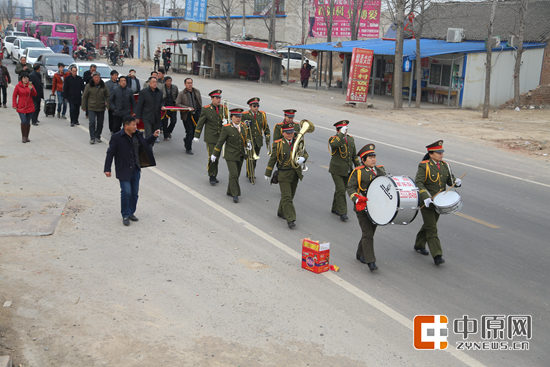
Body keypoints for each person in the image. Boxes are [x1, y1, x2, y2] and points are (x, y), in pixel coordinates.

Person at [104, 115, 160, 226]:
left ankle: (131, 212)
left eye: (136, 124)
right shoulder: (117, 137)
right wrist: (107, 168)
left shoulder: (137, 134)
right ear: (126, 126)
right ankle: (125, 214)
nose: (136, 127)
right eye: (133, 125)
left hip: (136, 169)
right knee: (126, 192)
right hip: (123, 169)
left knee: (134, 193)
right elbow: (110, 153)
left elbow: (144, 143)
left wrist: (153, 136)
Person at [414, 140, 462, 266]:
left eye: (442, 152)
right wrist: (426, 196)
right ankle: (437, 255)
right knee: (432, 228)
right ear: (431, 154)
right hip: (427, 202)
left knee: (430, 224)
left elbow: (449, 181)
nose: (441, 155)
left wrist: (456, 182)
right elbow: (418, 183)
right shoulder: (424, 166)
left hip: (440, 202)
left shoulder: (445, 165)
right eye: (438, 152)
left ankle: (419, 244)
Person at [346, 144, 386, 271]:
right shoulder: (358, 172)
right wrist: (356, 198)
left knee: (370, 232)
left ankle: (360, 253)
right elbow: (350, 188)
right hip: (362, 208)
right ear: (363, 160)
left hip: (376, 208)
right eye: (369, 157)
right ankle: (371, 261)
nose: (373, 159)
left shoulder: (380, 171)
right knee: (368, 233)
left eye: (374, 156)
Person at [264, 122, 309, 229]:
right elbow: (273, 159)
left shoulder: (298, 142)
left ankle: (281, 211)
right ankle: (291, 219)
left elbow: (305, 153)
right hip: (283, 173)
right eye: (287, 133)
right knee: (287, 197)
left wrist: (303, 159)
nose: (290, 135)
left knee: (290, 195)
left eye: (292, 132)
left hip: (295, 173)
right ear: (283, 133)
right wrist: (268, 172)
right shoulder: (278, 144)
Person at [211, 108, 248, 203]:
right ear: (232, 117)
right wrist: (215, 153)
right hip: (230, 155)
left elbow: (246, 138)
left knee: (236, 175)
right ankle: (235, 194)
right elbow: (220, 141)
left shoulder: (244, 126)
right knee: (234, 173)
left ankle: (229, 190)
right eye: (236, 116)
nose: (238, 119)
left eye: (240, 116)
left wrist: (249, 144)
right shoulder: (227, 128)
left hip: (240, 155)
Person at [329, 120, 360, 222]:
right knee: (342, 190)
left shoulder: (350, 139)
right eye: (343, 130)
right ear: (338, 130)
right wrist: (341, 134)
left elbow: (354, 155)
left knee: (339, 189)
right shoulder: (333, 139)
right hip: (336, 170)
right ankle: (343, 212)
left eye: (346, 129)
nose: (345, 131)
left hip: (347, 170)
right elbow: (334, 146)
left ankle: (334, 208)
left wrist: (358, 168)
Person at [193, 90, 226, 185]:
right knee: (212, 156)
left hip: (220, 137)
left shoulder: (224, 108)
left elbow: (229, 120)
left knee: (217, 157)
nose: (218, 100)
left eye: (219, 98)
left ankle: (214, 174)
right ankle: (211, 175)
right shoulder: (206, 109)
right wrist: (196, 135)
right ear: (212, 99)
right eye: (216, 98)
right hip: (211, 137)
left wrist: (226, 123)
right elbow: (201, 123)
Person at [241, 97, 270, 182]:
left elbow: (265, 126)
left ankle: (249, 171)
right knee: (250, 157)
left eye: (257, 106)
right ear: (250, 107)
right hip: (249, 140)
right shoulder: (245, 115)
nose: (256, 107)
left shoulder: (262, 114)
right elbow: (242, 127)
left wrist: (267, 135)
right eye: (254, 106)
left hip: (258, 140)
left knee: (255, 158)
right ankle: (251, 175)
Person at [82, 72, 110, 144]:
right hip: (91, 107)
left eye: (98, 77)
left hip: (101, 107)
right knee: (92, 122)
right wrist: (83, 106)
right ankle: (92, 137)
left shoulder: (103, 86)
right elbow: (85, 97)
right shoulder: (88, 86)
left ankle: (98, 136)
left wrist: (108, 105)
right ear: (93, 78)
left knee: (100, 123)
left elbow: (108, 96)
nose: (97, 79)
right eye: (95, 77)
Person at [135, 76, 165, 145]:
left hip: (156, 117)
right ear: (149, 83)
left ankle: (149, 148)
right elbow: (139, 105)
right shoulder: (144, 92)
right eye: (153, 82)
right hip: (147, 117)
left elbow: (162, 101)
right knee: (148, 134)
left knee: (154, 135)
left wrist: (162, 106)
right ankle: (148, 150)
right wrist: (137, 117)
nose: (155, 84)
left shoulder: (159, 92)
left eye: (156, 82)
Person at [175, 78, 202, 155]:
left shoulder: (197, 92)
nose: (190, 84)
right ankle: (188, 148)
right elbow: (177, 103)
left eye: (191, 83)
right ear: (185, 84)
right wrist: (186, 108)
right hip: (187, 116)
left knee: (194, 132)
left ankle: (186, 140)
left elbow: (200, 102)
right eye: (188, 83)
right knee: (189, 131)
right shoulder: (181, 93)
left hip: (196, 114)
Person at [12, 72, 37, 143]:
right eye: (24, 78)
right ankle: (23, 136)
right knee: (24, 121)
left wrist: (31, 89)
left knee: (28, 121)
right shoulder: (18, 86)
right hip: (21, 106)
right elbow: (14, 95)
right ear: (21, 79)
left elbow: (35, 94)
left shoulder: (31, 85)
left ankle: (27, 136)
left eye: (27, 78)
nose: (26, 80)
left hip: (29, 106)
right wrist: (15, 104)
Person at [161, 76, 178, 140]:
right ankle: (165, 135)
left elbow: (177, 96)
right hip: (165, 107)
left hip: (173, 106)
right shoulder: (162, 88)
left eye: (170, 81)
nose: (169, 82)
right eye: (168, 81)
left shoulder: (175, 87)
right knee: (164, 122)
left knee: (174, 121)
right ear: (165, 82)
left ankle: (168, 131)